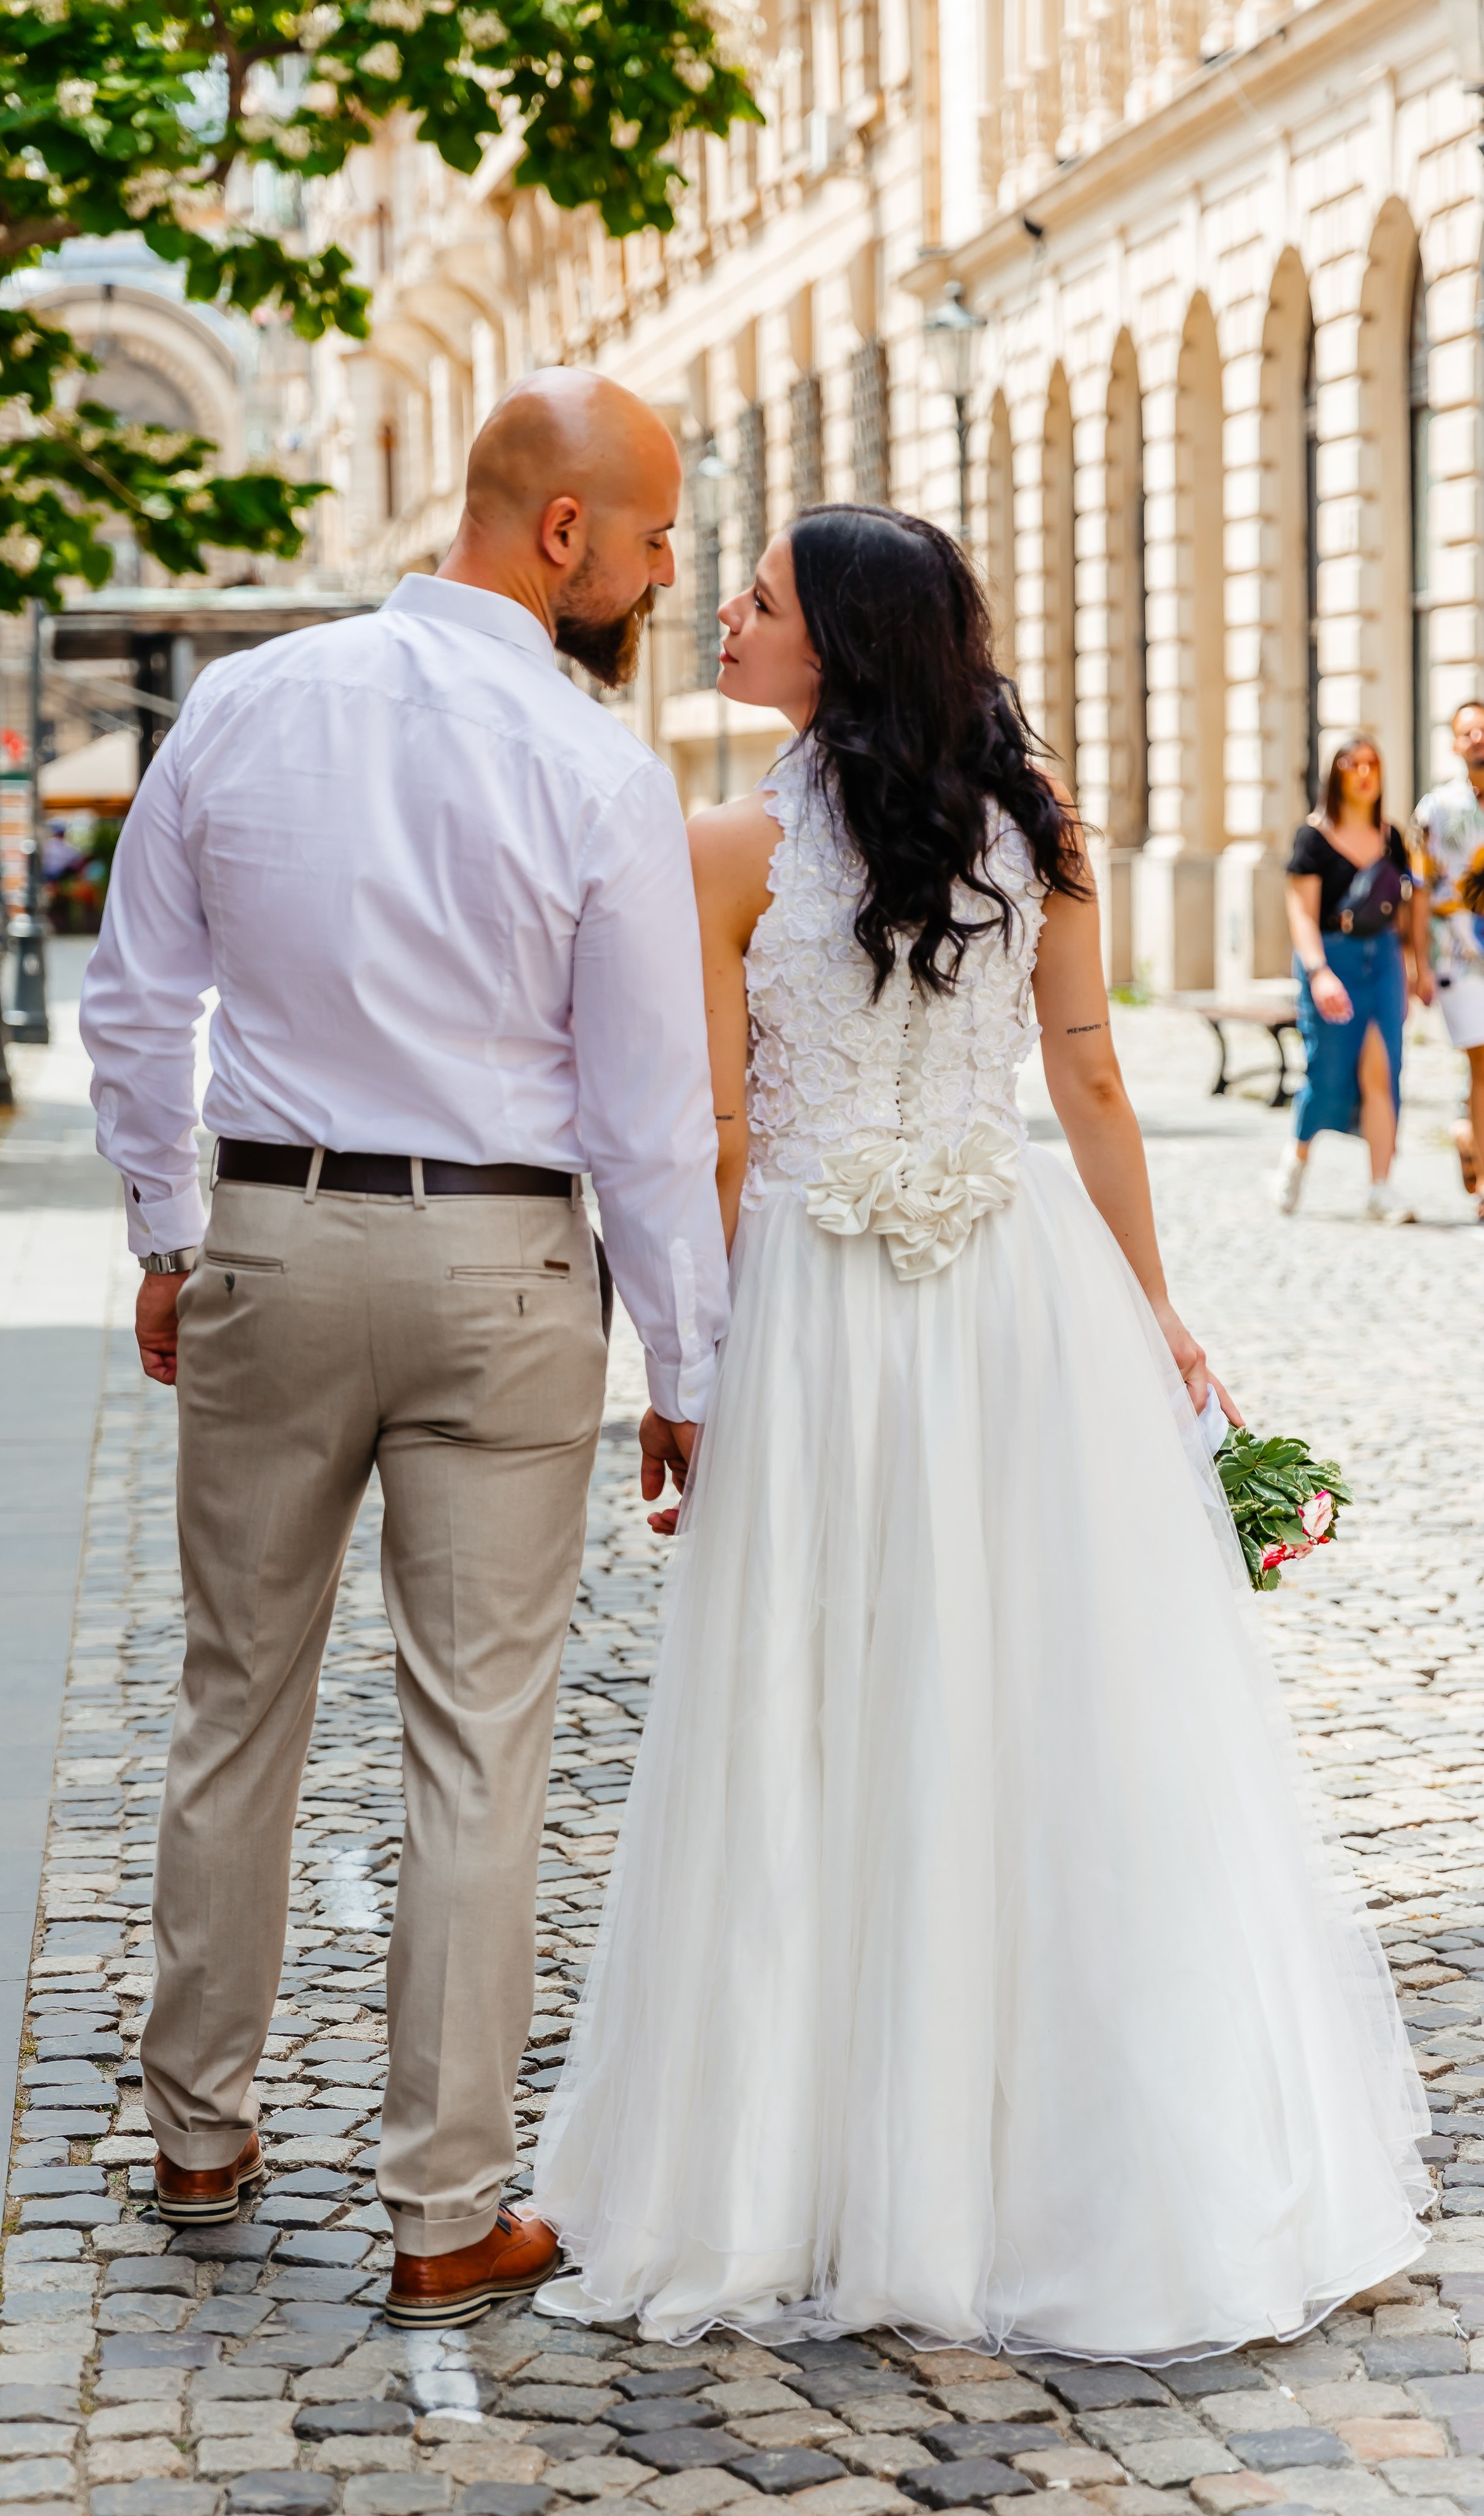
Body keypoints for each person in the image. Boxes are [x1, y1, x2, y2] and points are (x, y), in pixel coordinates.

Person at [532, 506, 1426, 2356]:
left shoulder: (717, 851)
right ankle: (1039, 2150)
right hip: (1011, 1291)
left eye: (761, 600)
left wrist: (676, 1369)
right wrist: (1149, 1302)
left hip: (817, 1308)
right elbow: (1086, 1074)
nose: (725, 611)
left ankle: (811, 2164)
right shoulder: (1036, 834)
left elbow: (710, 1137)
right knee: (1030, 1704)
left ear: (838, 646)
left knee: (814, 1714)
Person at [78, 369, 730, 2330]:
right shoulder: (591, 765)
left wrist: (170, 1232)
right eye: (646, 534)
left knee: (234, 1702)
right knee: (476, 1747)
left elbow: (134, 1004)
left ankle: (200, 2130)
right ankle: (444, 2213)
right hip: (505, 1278)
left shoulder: (250, 701)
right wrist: (684, 1366)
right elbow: (640, 1107)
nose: (659, 566)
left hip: (274, 1233)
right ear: (560, 538)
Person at [1274, 735, 1430, 1222]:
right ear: (1336, 773)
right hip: (1332, 959)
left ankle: (1380, 1188)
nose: (1364, 773)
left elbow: (1406, 911)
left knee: (1383, 1069)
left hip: (1381, 959)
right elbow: (1301, 914)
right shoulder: (1313, 838)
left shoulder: (1393, 837)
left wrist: (1415, 968)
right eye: (1353, 764)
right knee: (1326, 1072)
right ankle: (1297, 1157)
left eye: (1372, 764)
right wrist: (1318, 973)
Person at [1414, 699, 1484, 1222]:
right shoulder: (1435, 809)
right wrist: (1419, 960)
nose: (1478, 737)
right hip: (1459, 958)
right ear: (1455, 744)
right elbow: (1417, 888)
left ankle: (1469, 1133)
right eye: (1468, 731)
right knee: (1481, 1061)